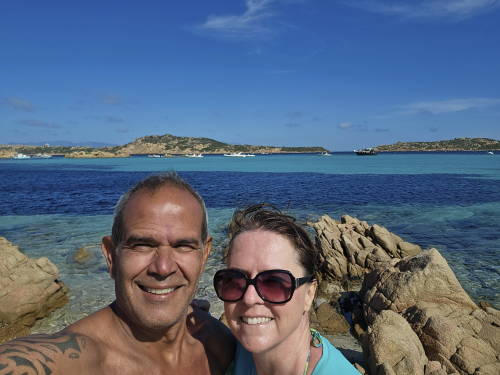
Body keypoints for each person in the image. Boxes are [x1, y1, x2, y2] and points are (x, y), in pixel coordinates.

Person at [0, 172, 235, 374]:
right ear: (111, 255)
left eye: (183, 246)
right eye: (142, 245)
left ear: (204, 256)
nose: (163, 268)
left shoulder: (219, 343)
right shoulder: (83, 357)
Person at [213, 204, 359, 374]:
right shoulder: (228, 352)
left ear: (309, 294)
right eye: (234, 281)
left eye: (273, 283)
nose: (249, 298)